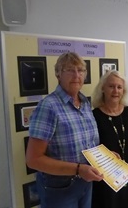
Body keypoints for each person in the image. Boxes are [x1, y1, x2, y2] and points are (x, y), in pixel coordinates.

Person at [26, 52, 103, 208]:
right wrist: (78, 169)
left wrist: (106, 158)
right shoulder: (48, 107)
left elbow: (87, 144)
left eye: (80, 70)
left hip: (85, 183)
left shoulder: (85, 102)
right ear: (58, 74)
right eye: (70, 70)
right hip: (59, 187)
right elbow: (33, 159)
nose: (76, 75)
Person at [91, 70, 128, 208]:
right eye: (111, 86)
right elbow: (91, 148)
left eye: (119, 87)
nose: (115, 91)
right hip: (106, 178)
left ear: (123, 91)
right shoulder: (94, 116)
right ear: (103, 88)